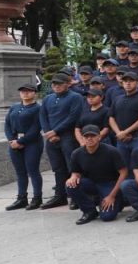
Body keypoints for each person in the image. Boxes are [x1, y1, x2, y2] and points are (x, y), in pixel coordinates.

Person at [64, 124, 127, 224]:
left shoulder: (111, 151)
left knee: (107, 217)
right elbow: (76, 172)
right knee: (70, 185)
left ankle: (118, 201)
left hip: (109, 184)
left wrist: (112, 196)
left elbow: (124, 173)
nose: (89, 138)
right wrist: (73, 177)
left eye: (92, 136)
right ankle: (89, 211)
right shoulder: (76, 153)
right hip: (91, 183)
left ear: (99, 137)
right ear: (82, 138)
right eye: (86, 136)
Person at [40, 73, 83, 210]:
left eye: (59, 83)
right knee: (58, 168)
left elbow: (74, 116)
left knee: (72, 167)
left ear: (68, 84)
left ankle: (76, 195)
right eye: (54, 83)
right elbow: (43, 116)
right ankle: (60, 196)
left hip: (68, 136)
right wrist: (49, 132)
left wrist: (56, 131)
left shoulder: (75, 97)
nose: (56, 86)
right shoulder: (48, 98)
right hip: (52, 138)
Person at [4, 83, 43, 211]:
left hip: (32, 143)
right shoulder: (14, 107)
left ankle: (37, 198)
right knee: (20, 172)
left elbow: (36, 128)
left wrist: (21, 141)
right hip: (14, 143)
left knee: (33, 170)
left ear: (34, 93)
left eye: (28, 91)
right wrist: (11, 140)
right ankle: (21, 198)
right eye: (22, 91)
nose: (25, 93)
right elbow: (7, 124)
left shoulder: (38, 108)